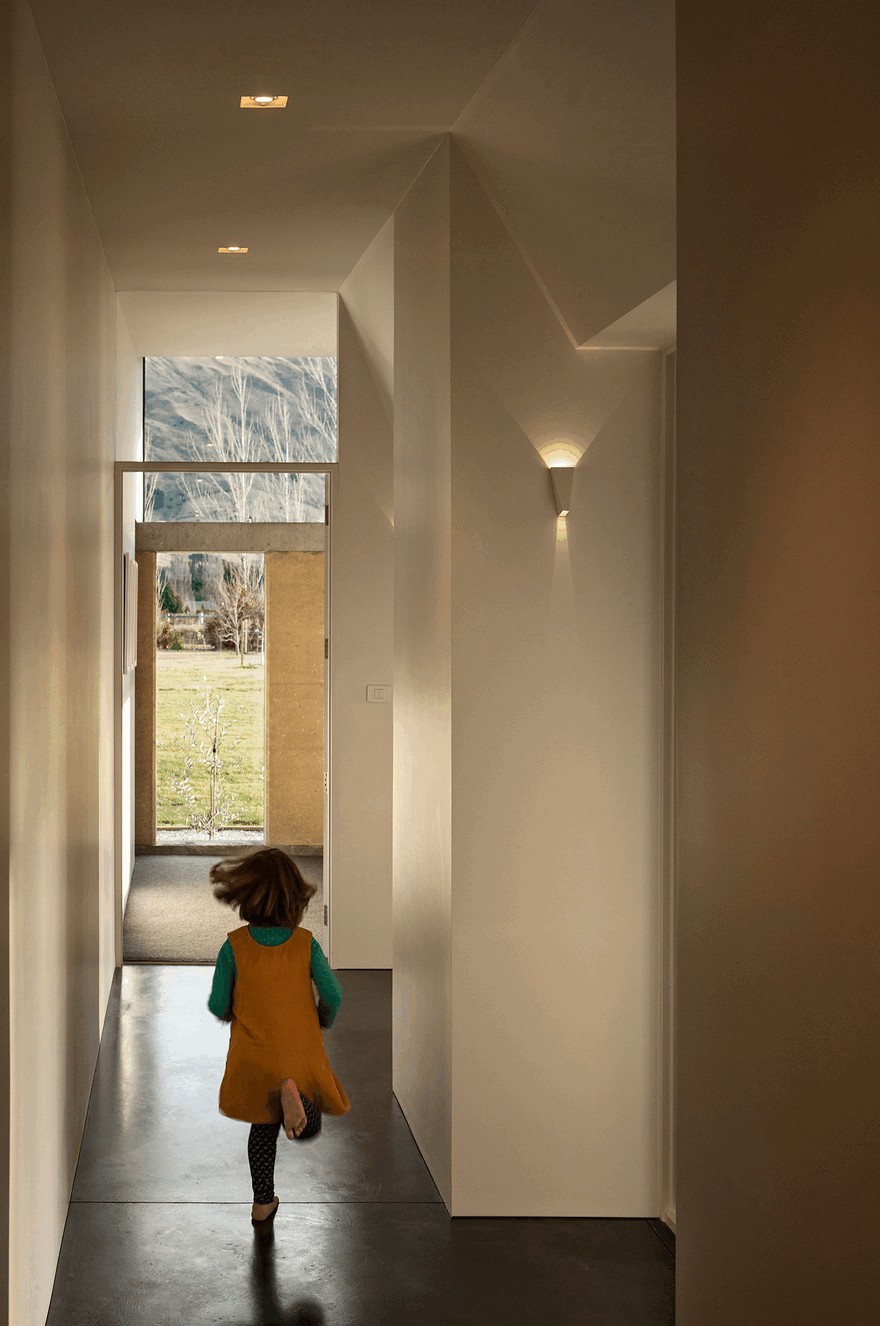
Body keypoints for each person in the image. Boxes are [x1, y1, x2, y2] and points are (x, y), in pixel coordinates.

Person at [208, 847, 350, 1227]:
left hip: (254, 1057)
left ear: (246, 896)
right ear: (295, 899)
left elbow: (218, 1002)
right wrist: (322, 1017)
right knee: (310, 1120)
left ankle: (262, 1203)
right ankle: (297, 1094)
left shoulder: (234, 946)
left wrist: (227, 1013)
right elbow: (333, 993)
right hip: (297, 1054)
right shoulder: (305, 944)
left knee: (262, 1131)